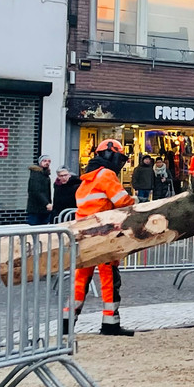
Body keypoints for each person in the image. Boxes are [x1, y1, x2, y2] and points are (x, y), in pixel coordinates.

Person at [69, 139, 136, 337]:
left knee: (80, 279)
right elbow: (122, 201)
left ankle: (67, 321)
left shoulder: (85, 180)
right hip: (104, 234)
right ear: (111, 154)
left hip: (85, 234)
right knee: (109, 278)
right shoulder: (106, 175)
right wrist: (136, 203)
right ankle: (110, 322)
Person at [25, 155, 53, 226]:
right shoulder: (36, 174)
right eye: (45, 161)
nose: (47, 163)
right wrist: (46, 203)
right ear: (40, 162)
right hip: (36, 209)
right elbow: (36, 191)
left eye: (49, 161)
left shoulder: (45, 174)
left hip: (43, 209)